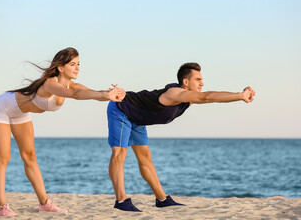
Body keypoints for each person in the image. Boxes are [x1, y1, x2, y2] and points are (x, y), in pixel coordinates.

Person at [0, 47, 125, 217]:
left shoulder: (71, 84)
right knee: (3, 157)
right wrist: (104, 95)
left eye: (78, 64)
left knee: (30, 156)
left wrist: (109, 93)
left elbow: (90, 93)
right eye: (73, 64)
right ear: (61, 67)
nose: (77, 68)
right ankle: (2, 207)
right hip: (3, 107)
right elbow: (75, 94)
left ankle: (44, 204)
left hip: (20, 112)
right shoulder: (50, 84)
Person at [107, 62, 255, 211]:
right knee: (120, 152)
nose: (202, 83)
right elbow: (207, 97)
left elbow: (210, 98)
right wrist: (240, 96)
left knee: (145, 156)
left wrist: (238, 95)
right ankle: (121, 201)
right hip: (121, 109)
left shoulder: (188, 100)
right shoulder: (174, 93)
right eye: (198, 79)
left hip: (137, 118)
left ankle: (162, 199)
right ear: (185, 82)